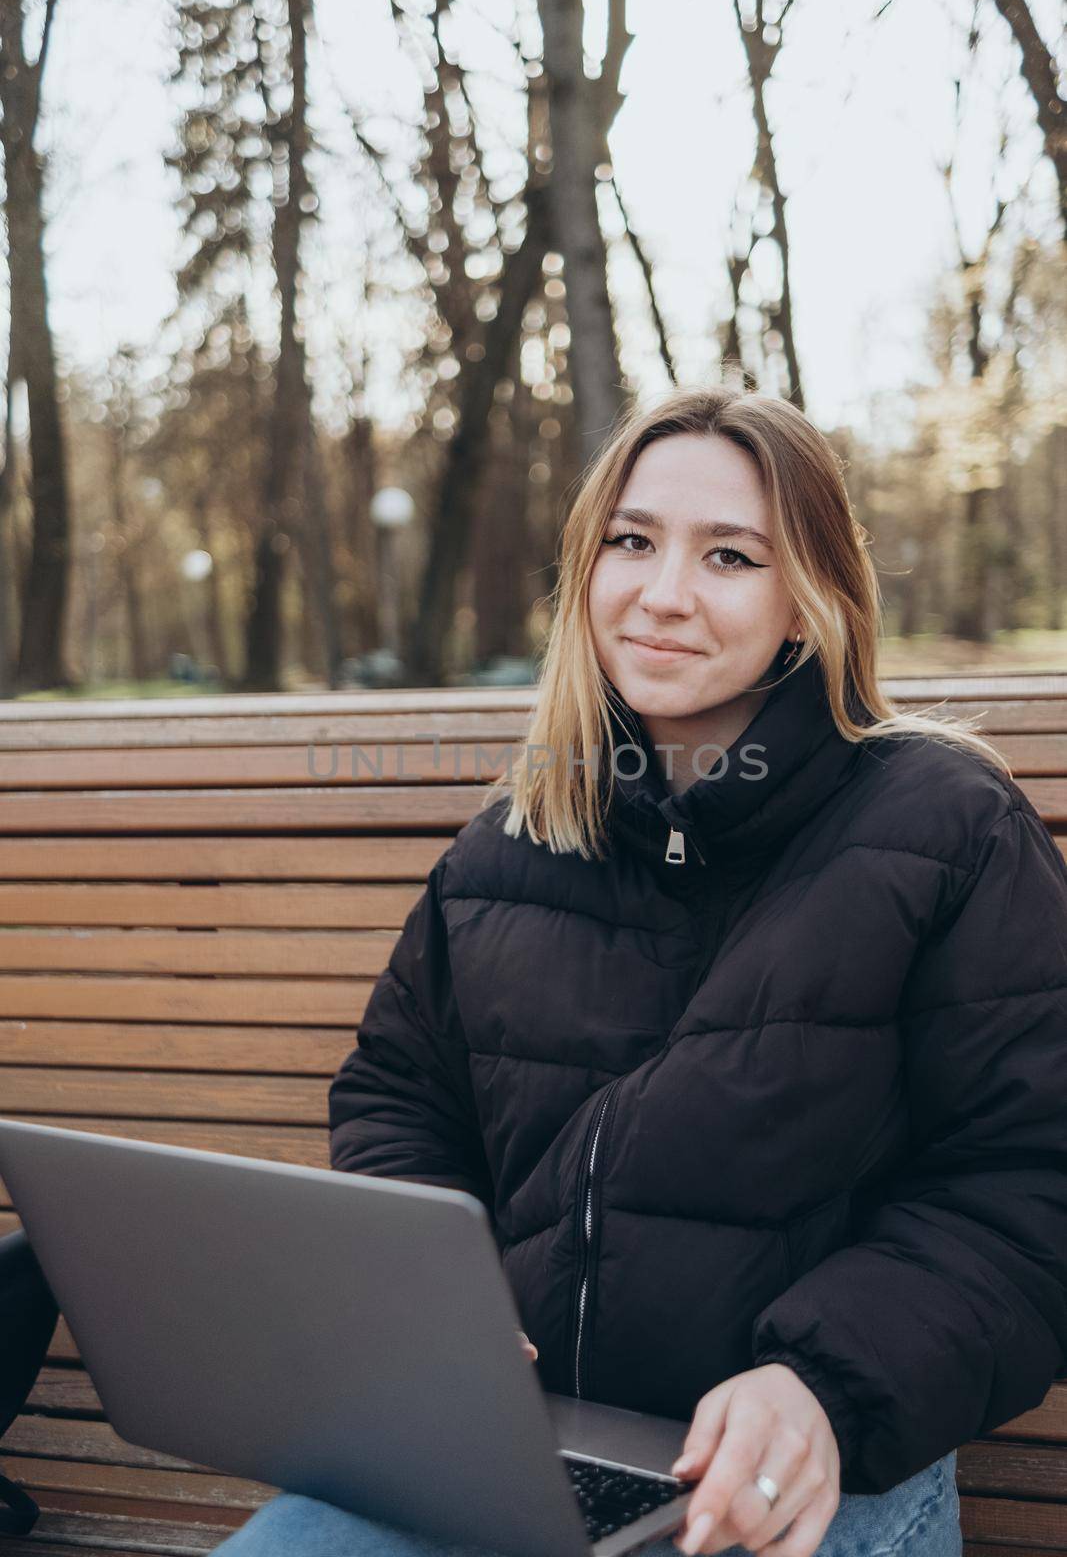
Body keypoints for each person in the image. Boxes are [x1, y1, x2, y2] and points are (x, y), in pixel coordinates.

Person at [214, 386, 1067, 1557]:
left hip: (803, 1474)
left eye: (727, 555)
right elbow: (401, 1099)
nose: (662, 594)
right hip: (504, 1448)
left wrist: (818, 1382)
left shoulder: (944, 828)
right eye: (630, 541)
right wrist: (438, 1304)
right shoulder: (509, 839)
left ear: (805, 598)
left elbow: (1030, 1184)